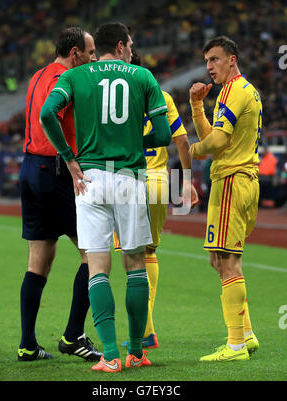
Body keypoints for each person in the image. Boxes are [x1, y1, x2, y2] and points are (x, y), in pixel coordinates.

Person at [40, 22, 172, 373]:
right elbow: (163, 135)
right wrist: (132, 141)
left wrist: (69, 157)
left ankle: (111, 356)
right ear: (121, 45)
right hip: (129, 177)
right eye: (131, 43)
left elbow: (45, 114)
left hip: (90, 178)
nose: (133, 48)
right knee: (136, 265)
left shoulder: (76, 75)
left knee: (97, 267)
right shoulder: (142, 77)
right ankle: (137, 352)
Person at [18, 27, 102, 362]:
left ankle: (27, 345)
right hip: (56, 172)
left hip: (31, 170)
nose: (94, 58)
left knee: (39, 261)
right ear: (75, 53)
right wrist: (70, 158)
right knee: (95, 254)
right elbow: (48, 115)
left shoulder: (38, 75)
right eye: (91, 52)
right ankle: (72, 336)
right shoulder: (65, 80)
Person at [115, 49, 199, 349]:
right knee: (149, 252)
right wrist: (187, 182)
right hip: (160, 183)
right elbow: (182, 141)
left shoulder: (117, 101)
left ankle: (144, 331)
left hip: (127, 181)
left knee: (130, 257)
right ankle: (147, 329)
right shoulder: (161, 97)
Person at [189, 36, 261, 362]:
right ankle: (245, 334)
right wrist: (196, 107)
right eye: (207, 61)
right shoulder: (245, 91)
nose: (209, 67)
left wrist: (188, 151)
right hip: (241, 179)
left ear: (232, 59)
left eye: (215, 59)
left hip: (232, 180)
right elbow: (213, 137)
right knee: (221, 258)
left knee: (227, 262)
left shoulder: (234, 91)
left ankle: (235, 347)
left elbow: (213, 142)